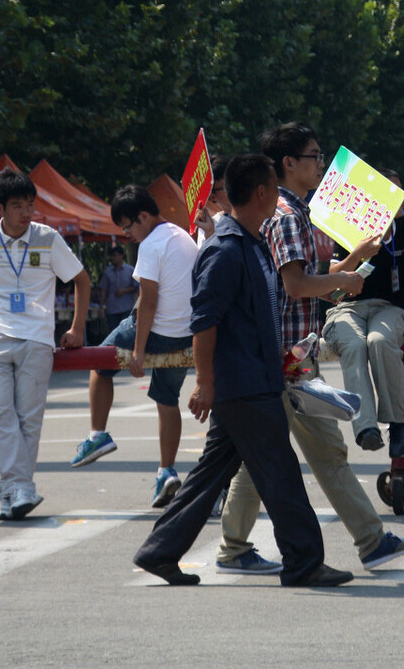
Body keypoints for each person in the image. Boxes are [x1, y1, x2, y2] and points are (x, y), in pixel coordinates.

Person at [133, 154, 352, 587]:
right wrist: (206, 382)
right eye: (274, 187)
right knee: (281, 473)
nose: (278, 195)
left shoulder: (251, 243)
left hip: (254, 379)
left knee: (212, 473)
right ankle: (304, 561)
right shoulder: (227, 250)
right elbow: (205, 321)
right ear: (261, 193)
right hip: (243, 385)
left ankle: (158, 552)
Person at [217, 121, 404, 575]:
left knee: (272, 458)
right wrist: (344, 277)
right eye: (313, 156)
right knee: (302, 457)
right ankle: (370, 542)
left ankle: (236, 548)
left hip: (292, 358)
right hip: (287, 361)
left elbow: (315, 287)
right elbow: (295, 287)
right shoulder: (289, 217)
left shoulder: (300, 215)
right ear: (288, 163)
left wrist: (350, 262)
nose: (321, 165)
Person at [0, 169, 90, 520]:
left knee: (28, 420)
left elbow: (81, 278)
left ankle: (12, 493)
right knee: (0, 414)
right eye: (18, 206)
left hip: (37, 338)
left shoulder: (47, 238)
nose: (27, 213)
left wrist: (76, 328)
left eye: (30, 205)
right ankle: (20, 489)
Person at [69, 185, 198, 509]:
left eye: (128, 227)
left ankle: (97, 434)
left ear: (143, 216)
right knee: (167, 398)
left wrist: (138, 351)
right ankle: (166, 471)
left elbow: (149, 302)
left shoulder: (151, 245)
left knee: (99, 363)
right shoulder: (182, 235)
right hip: (187, 333)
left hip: (159, 330)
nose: (128, 235)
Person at [324, 168, 404, 456]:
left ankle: (397, 424)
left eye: (400, 195)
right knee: (354, 344)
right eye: (391, 194)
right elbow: (331, 275)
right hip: (348, 307)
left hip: (389, 307)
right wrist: (357, 253)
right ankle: (366, 428)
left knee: (379, 342)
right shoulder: (351, 227)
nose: (399, 202)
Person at [97, 246, 136, 337]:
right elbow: (104, 290)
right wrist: (101, 307)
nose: (112, 258)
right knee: (113, 333)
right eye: (111, 256)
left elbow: (137, 287)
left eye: (115, 256)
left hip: (126, 308)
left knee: (126, 332)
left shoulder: (130, 271)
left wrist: (124, 291)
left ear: (121, 256)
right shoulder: (107, 272)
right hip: (112, 309)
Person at [193, 155, 230, 248]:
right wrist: (210, 234)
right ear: (213, 197)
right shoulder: (208, 227)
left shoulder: (260, 215)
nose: (237, 188)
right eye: (228, 186)